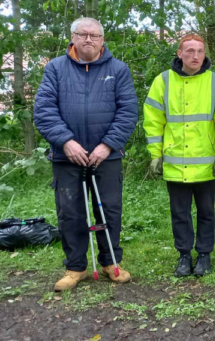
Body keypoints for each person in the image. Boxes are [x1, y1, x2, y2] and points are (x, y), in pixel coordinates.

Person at [34, 17, 138, 291]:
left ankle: (110, 262)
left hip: (107, 156)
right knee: (70, 212)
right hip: (66, 157)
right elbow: (44, 110)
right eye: (83, 34)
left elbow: (128, 111)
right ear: (73, 37)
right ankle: (75, 267)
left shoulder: (119, 69)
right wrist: (66, 141)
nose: (89, 39)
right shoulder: (56, 68)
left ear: (103, 40)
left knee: (110, 211)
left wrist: (108, 144)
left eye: (94, 35)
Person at [143, 34, 215, 278]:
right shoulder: (163, 81)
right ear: (179, 53)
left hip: (206, 164)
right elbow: (153, 120)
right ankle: (183, 255)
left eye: (200, 51)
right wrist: (155, 154)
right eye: (190, 51)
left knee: (206, 212)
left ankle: (204, 255)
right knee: (179, 213)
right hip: (174, 163)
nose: (195, 56)